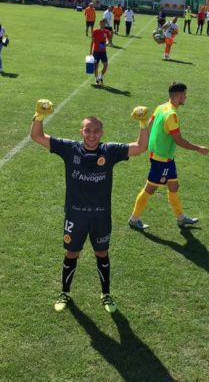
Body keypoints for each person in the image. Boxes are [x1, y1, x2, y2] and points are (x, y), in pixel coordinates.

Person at [30, 102, 151, 313]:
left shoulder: (110, 151)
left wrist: (143, 124)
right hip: (75, 215)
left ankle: (106, 294)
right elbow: (37, 136)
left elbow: (140, 147)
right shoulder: (70, 149)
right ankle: (65, 292)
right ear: (81, 131)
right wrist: (38, 116)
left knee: (102, 253)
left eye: (96, 131)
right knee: (71, 253)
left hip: (100, 216)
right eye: (87, 130)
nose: (92, 135)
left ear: (102, 133)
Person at [128, 82, 209, 230]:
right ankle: (134, 219)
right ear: (178, 96)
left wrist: (142, 124)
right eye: (184, 94)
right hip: (161, 159)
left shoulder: (161, 107)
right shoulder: (171, 115)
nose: (186, 97)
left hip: (165, 157)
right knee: (150, 189)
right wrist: (198, 148)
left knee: (173, 186)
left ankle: (180, 218)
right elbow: (178, 140)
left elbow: (149, 123)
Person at [89, 18, 111, 85]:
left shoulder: (106, 32)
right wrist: (90, 51)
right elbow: (92, 41)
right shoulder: (95, 31)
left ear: (105, 24)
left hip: (103, 51)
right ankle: (96, 79)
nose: (102, 25)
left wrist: (106, 44)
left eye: (103, 24)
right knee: (96, 66)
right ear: (99, 24)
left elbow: (109, 40)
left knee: (105, 65)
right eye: (101, 24)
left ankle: (101, 76)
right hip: (96, 51)